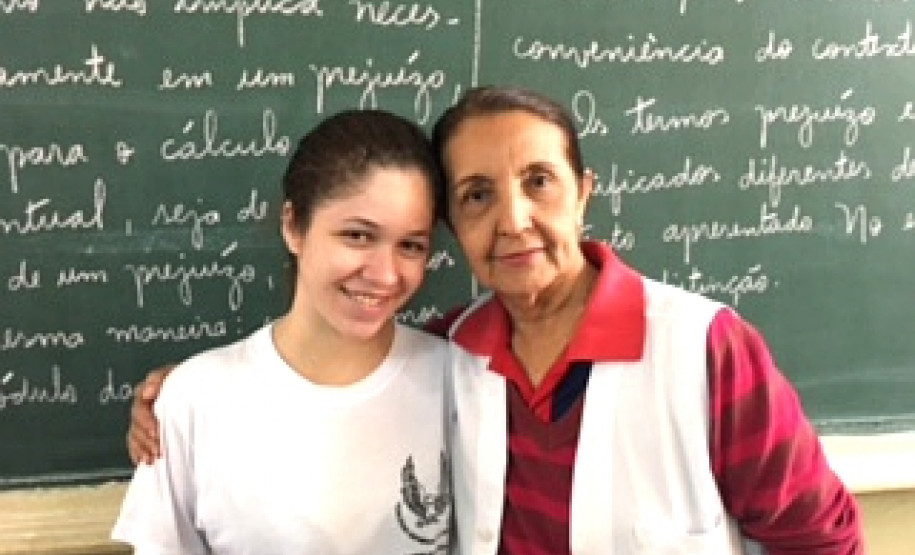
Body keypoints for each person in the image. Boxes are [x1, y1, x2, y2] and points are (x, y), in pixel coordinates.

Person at [128, 86, 864, 554]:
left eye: (538, 182)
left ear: (582, 193)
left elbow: (821, 539)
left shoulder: (703, 349)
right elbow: (326, 376)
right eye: (476, 195)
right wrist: (185, 391)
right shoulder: (457, 349)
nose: (513, 220)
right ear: (457, 225)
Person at [112, 109, 452, 554]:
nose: (386, 275)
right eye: (357, 236)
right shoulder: (193, 400)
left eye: (411, 245)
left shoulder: (460, 381)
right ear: (293, 226)